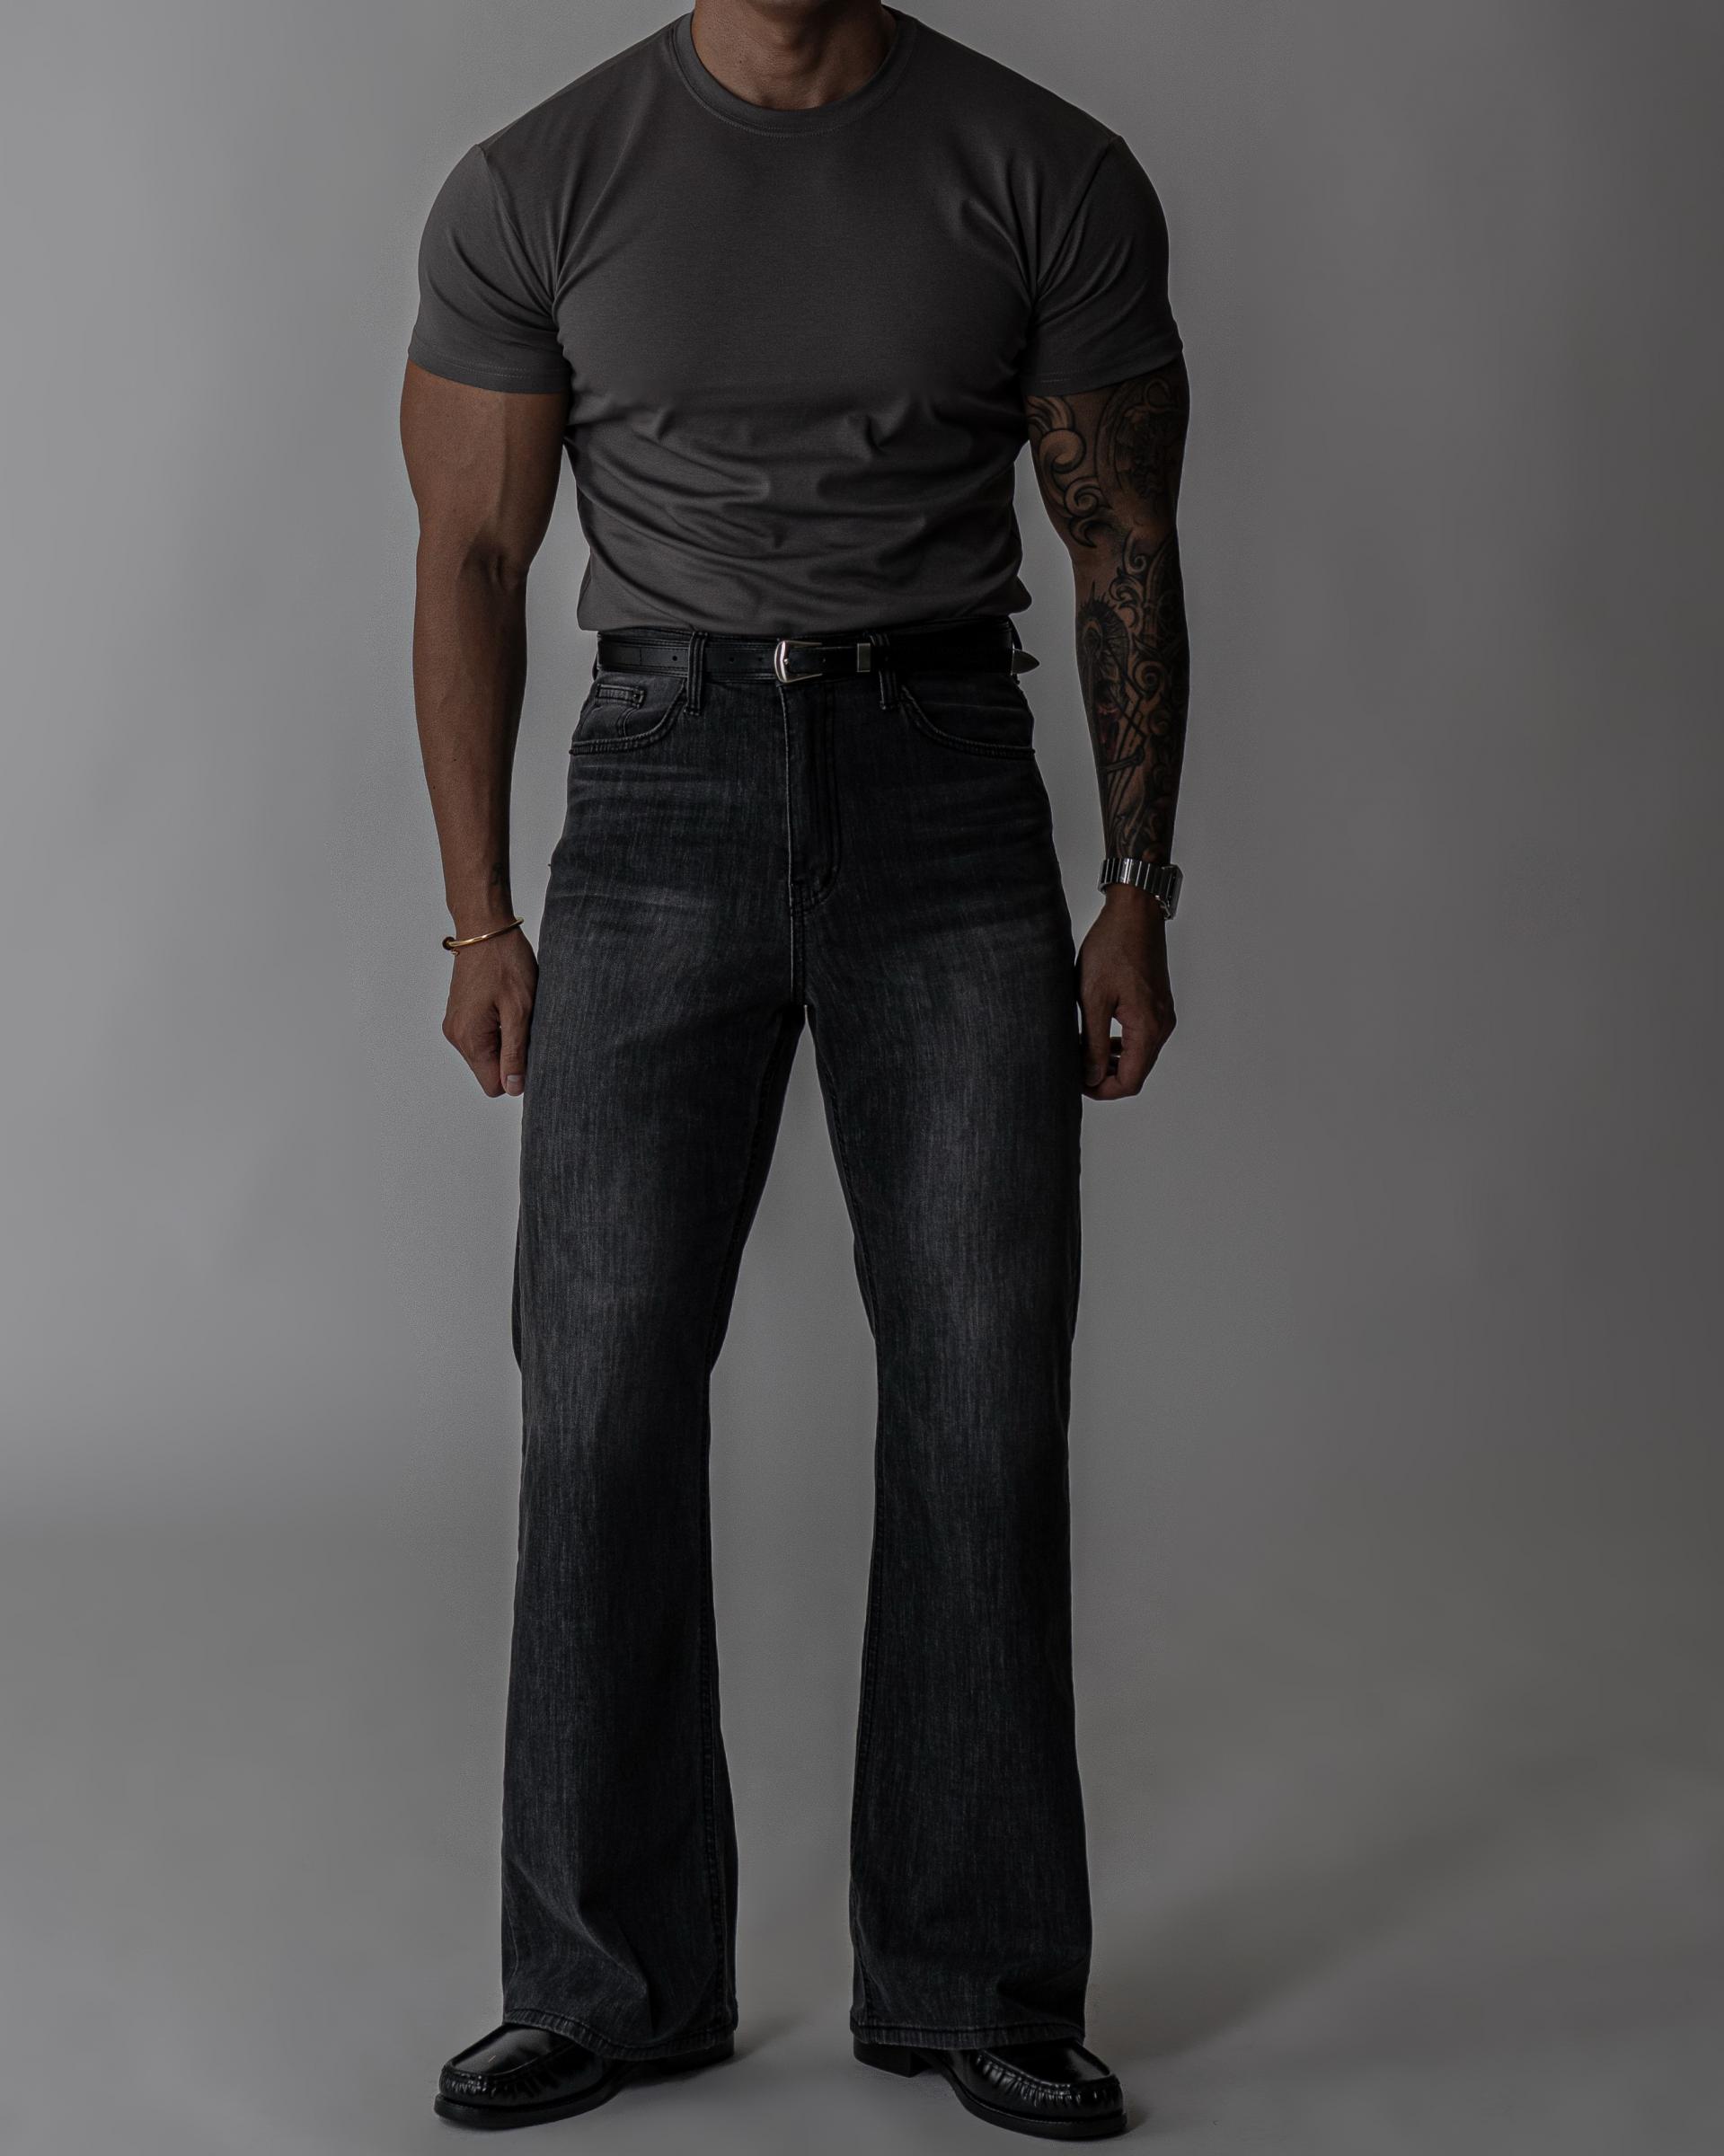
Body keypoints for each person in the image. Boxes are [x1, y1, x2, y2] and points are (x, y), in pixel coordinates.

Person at [399, 1, 1189, 2137]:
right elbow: (471, 553)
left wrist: (1135, 887)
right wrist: (478, 918)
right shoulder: (536, 184)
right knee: (601, 1388)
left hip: (947, 783)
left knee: (981, 1389)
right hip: (657, 780)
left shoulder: (1044, 170)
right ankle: (609, 1980)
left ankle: (973, 1976)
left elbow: (1120, 534)